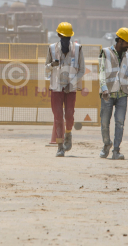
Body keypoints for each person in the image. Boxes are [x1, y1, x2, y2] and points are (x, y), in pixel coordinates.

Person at [98, 27, 128, 160]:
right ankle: (107, 144)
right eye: (127, 43)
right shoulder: (105, 53)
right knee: (105, 122)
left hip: (122, 94)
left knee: (120, 122)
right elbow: (101, 71)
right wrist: (104, 88)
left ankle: (116, 150)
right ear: (120, 41)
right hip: (108, 94)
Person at [45, 22, 85, 157]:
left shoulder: (78, 49)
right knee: (58, 117)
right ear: (58, 36)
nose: (65, 40)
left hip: (70, 89)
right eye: (63, 37)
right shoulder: (51, 49)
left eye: (68, 37)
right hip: (56, 88)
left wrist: (72, 83)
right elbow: (46, 69)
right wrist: (52, 65)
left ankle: (68, 134)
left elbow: (82, 70)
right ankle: (60, 146)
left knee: (69, 115)